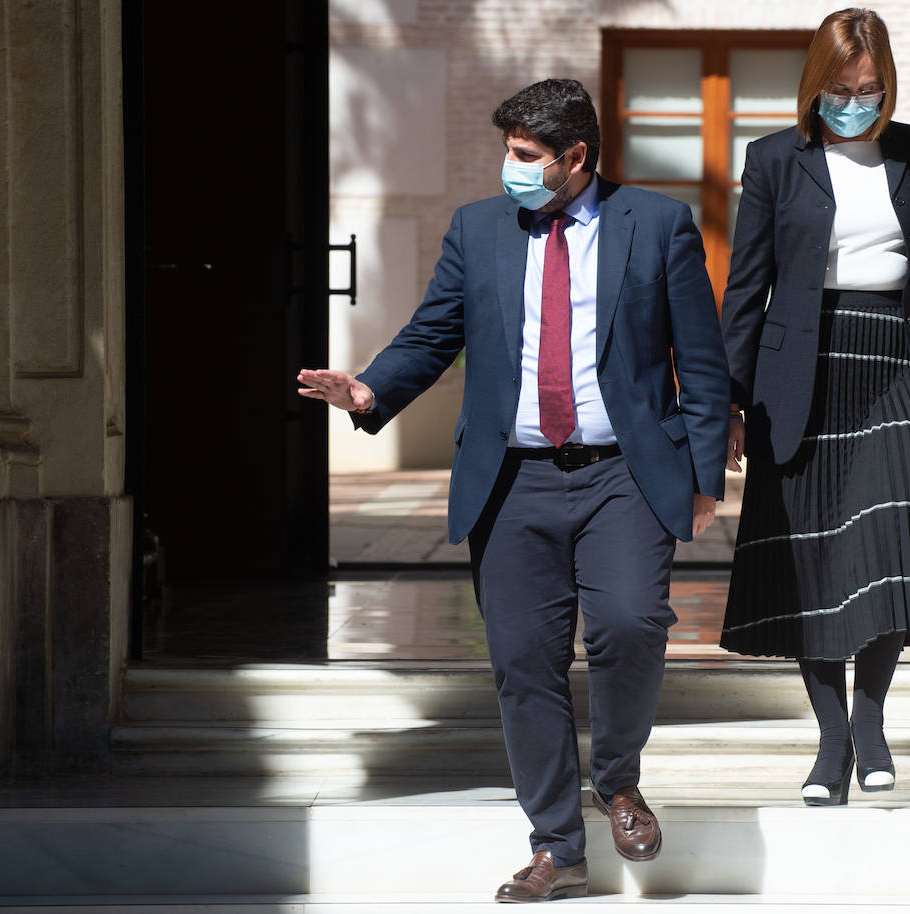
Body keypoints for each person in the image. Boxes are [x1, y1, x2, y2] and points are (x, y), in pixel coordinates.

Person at [298, 79, 729, 902]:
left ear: (575, 157)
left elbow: (700, 361)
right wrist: (369, 392)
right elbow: (434, 330)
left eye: (526, 157)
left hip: (624, 474)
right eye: (507, 152)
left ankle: (619, 780)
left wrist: (704, 476)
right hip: (513, 481)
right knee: (523, 663)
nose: (511, 169)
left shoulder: (658, 224)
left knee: (632, 624)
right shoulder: (479, 229)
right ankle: (557, 850)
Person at [718, 8, 910, 806]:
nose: (857, 103)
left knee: (891, 540)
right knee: (814, 561)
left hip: (901, 363)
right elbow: (746, 291)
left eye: (870, 90)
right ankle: (832, 742)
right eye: (841, 90)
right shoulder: (775, 159)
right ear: (816, 86)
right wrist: (729, 406)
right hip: (799, 372)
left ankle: (870, 719)